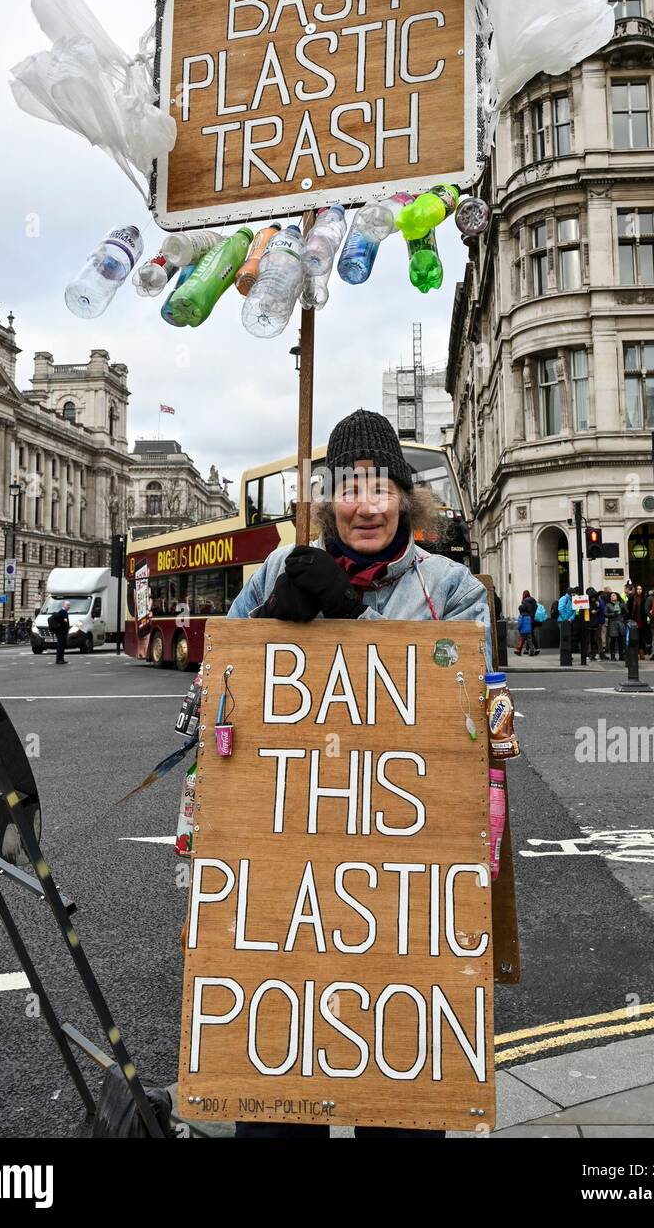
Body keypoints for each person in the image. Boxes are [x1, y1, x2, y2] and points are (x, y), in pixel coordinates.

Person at [226, 409, 494, 1141]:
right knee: (278, 1109)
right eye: (349, 486)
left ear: (406, 496)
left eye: (381, 486)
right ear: (328, 498)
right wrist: (274, 626)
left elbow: (474, 720)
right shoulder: (279, 571)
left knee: (398, 1106)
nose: (366, 504)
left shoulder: (455, 587)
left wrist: (351, 626)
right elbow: (218, 698)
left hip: (403, 880)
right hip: (292, 880)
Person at [516, 589, 537, 656]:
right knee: (530, 640)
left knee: (521, 640)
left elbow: (520, 624)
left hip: (522, 631)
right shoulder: (533, 601)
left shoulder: (521, 616)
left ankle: (519, 650)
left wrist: (519, 629)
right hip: (530, 626)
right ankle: (532, 650)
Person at [604, 591, 625, 660]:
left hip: (620, 623)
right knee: (613, 640)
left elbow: (626, 612)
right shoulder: (608, 605)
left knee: (621, 640)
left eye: (614, 595)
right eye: (611, 596)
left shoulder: (621, 604)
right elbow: (605, 614)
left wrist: (623, 616)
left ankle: (621, 655)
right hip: (612, 623)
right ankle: (612, 656)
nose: (612, 597)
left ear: (617, 597)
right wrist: (613, 614)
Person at [50, 600, 70, 665]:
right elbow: (64, 622)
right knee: (60, 646)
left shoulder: (63, 612)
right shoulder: (62, 612)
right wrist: (64, 626)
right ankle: (59, 660)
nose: (69, 606)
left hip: (61, 632)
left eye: (69, 605)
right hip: (61, 632)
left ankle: (61, 659)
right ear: (63, 605)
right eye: (67, 605)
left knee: (62, 646)